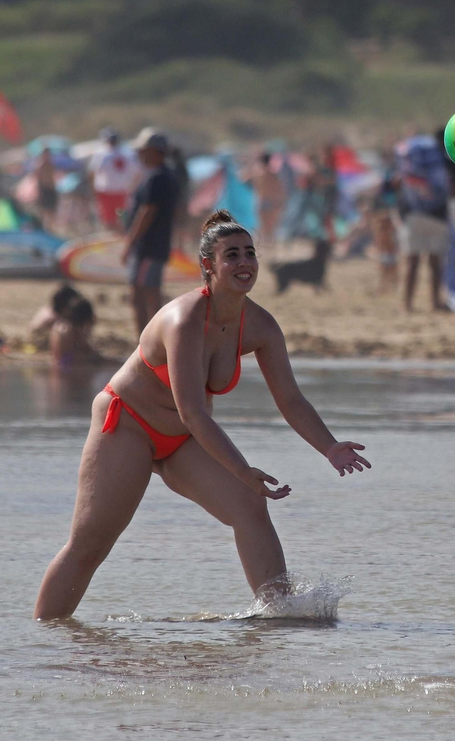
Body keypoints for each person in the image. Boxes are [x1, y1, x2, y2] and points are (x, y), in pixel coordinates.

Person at [33, 211, 372, 619]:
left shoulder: (261, 326)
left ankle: (281, 617)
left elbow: (291, 400)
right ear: (208, 266)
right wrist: (242, 467)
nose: (245, 263)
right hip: (127, 425)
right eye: (232, 255)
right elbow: (193, 411)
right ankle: (45, 643)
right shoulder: (185, 318)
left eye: (250, 254)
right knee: (90, 545)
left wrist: (330, 446)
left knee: (249, 504)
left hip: (180, 441)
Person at [123, 132, 179, 335]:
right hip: (155, 244)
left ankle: (148, 341)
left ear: (155, 152)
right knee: (146, 292)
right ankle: (150, 340)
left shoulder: (157, 177)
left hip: (149, 246)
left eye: (143, 151)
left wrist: (130, 242)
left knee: (144, 293)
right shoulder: (162, 175)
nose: (140, 154)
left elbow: (147, 212)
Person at [396, 134, 452, 312]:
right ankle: (435, 302)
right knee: (435, 263)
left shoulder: (411, 159)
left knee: (411, 261)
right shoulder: (445, 159)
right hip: (438, 216)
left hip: (413, 215)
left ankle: (407, 304)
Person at [90, 128, 138, 230]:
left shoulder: (102, 154)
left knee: (112, 220)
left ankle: (117, 238)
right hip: (119, 192)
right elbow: (136, 174)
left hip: (109, 192)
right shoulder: (128, 153)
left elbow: (93, 173)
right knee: (119, 219)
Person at [253, 152, 286, 252]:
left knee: (264, 226)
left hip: (263, 201)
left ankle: (267, 249)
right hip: (271, 202)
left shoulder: (258, 174)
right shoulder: (273, 174)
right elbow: (280, 189)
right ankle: (271, 248)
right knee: (271, 227)